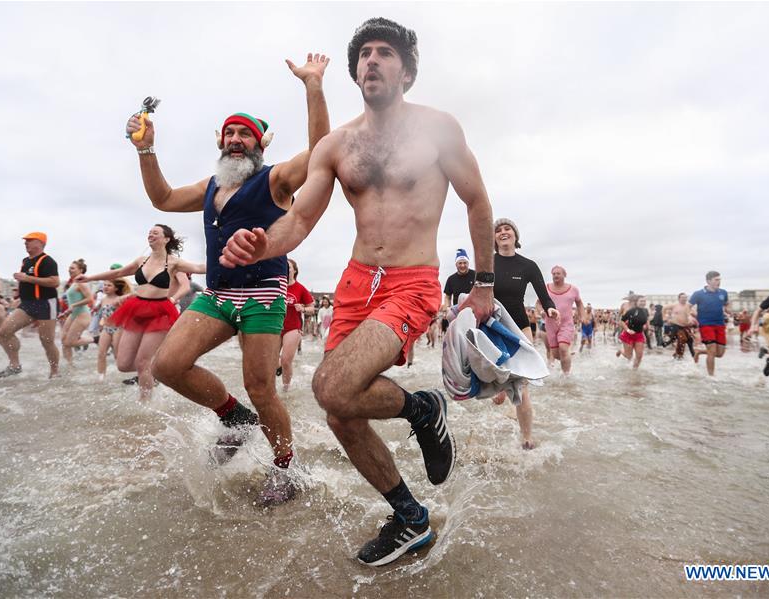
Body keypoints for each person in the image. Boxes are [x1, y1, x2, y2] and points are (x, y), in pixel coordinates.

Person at [218, 18, 494, 565]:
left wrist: (483, 284)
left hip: (411, 280)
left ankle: (422, 409)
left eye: (385, 53)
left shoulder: (439, 128)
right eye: (365, 53)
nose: (372, 60)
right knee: (340, 410)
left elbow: (478, 201)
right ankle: (410, 519)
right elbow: (298, 222)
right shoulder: (337, 144)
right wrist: (258, 245)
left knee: (332, 385)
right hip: (354, 282)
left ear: (407, 72)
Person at [124, 53, 330, 505]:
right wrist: (146, 148)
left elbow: (321, 153)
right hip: (217, 295)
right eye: (230, 133)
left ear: (259, 146)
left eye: (246, 135)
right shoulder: (211, 186)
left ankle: (284, 467)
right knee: (167, 366)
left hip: (263, 295)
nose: (236, 140)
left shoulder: (275, 180)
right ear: (221, 140)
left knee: (261, 386)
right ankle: (234, 419)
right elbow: (161, 197)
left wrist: (312, 86)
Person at [76, 225, 203, 400]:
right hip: (136, 309)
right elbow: (119, 272)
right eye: (149, 232)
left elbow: (199, 267)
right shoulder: (141, 260)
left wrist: (232, 260)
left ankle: (146, 404)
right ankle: (156, 370)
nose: (150, 234)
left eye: (155, 233)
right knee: (123, 364)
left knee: (143, 363)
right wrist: (89, 278)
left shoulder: (174, 262)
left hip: (160, 311)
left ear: (166, 239)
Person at [488, 218, 557, 447]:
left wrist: (550, 308)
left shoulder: (527, 265)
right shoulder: (487, 262)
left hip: (520, 327)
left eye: (507, 229)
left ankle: (527, 437)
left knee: (522, 385)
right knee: (500, 379)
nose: (503, 232)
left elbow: (543, 293)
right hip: (494, 327)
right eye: (498, 230)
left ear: (515, 236)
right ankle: (500, 386)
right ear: (494, 238)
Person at [0, 232, 61, 378]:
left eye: (30, 240)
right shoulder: (25, 261)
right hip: (27, 304)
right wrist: (19, 296)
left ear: (41, 243)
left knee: (46, 341)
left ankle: (55, 372)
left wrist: (27, 278)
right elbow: (26, 282)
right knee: (4, 332)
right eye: (25, 241)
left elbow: (55, 282)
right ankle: (15, 365)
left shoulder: (48, 261)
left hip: (46, 303)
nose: (26, 243)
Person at [279, 258, 315, 392]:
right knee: (269, 360)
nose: (286, 268)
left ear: (294, 270)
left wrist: (303, 308)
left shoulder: (300, 289)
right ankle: (270, 387)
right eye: (284, 266)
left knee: (286, 360)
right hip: (275, 326)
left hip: (293, 327)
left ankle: (285, 388)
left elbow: (312, 308)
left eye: (288, 266)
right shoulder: (277, 287)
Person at [543, 265, 584, 375]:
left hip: (566, 323)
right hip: (550, 324)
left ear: (564, 275)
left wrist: (582, 316)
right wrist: (540, 312)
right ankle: (567, 360)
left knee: (563, 348)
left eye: (558, 273)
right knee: (556, 355)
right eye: (554, 274)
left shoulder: (573, 289)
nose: (555, 275)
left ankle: (566, 375)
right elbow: (538, 303)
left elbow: (579, 303)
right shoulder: (546, 288)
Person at [689, 271, 730, 376]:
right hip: (706, 324)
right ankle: (711, 376)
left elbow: (726, 304)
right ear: (708, 281)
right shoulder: (698, 294)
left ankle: (699, 352)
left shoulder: (723, 293)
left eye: (719, 279)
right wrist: (690, 316)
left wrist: (728, 312)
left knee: (720, 353)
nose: (719, 282)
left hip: (720, 324)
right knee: (712, 350)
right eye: (716, 280)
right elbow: (687, 307)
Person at [58, 259, 94, 367]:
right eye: (69, 267)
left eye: (73, 268)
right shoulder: (74, 282)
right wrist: (65, 312)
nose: (69, 270)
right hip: (73, 315)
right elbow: (73, 301)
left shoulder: (81, 282)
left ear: (80, 270)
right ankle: (69, 366)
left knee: (70, 342)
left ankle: (95, 339)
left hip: (82, 315)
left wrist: (73, 305)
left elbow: (90, 299)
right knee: (64, 341)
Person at [95, 279, 130, 380]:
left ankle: (123, 374)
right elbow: (104, 315)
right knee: (101, 353)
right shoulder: (103, 299)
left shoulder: (120, 299)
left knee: (117, 355)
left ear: (116, 288)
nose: (105, 287)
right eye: (104, 285)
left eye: (109, 285)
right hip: (106, 329)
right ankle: (101, 376)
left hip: (118, 329)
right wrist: (101, 322)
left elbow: (127, 314)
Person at [442, 248, 476, 334]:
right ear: (456, 264)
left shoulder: (475, 275)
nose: (462, 265)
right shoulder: (451, 279)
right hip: (458, 313)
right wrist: (447, 308)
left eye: (465, 263)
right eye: (460, 263)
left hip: (474, 312)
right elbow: (447, 296)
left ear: (468, 263)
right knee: (459, 336)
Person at [617, 294, 647, 369]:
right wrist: (627, 330)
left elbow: (643, 323)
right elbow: (622, 321)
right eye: (641, 301)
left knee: (639, 356)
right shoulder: (631, 310)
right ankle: (621, 351)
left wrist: (644, 334)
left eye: (644, 301)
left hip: (639, 335)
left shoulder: (645, 311)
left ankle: (634, 371)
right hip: (628, 334)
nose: (643, 303)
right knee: (629, 356)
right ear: (637, 302)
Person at [664, 292, 696, 360]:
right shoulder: (674, 305)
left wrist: (692, 318)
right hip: (676, 326)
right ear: (679, 299)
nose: (684, 299)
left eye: (685, 297)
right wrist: (664, 318)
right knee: (682, 339)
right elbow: (664, 308)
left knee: (690, 340)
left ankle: (694, 357)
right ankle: (678, 355)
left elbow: (693, 314)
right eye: (682, 298)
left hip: (686, 326)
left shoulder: (688, 306)